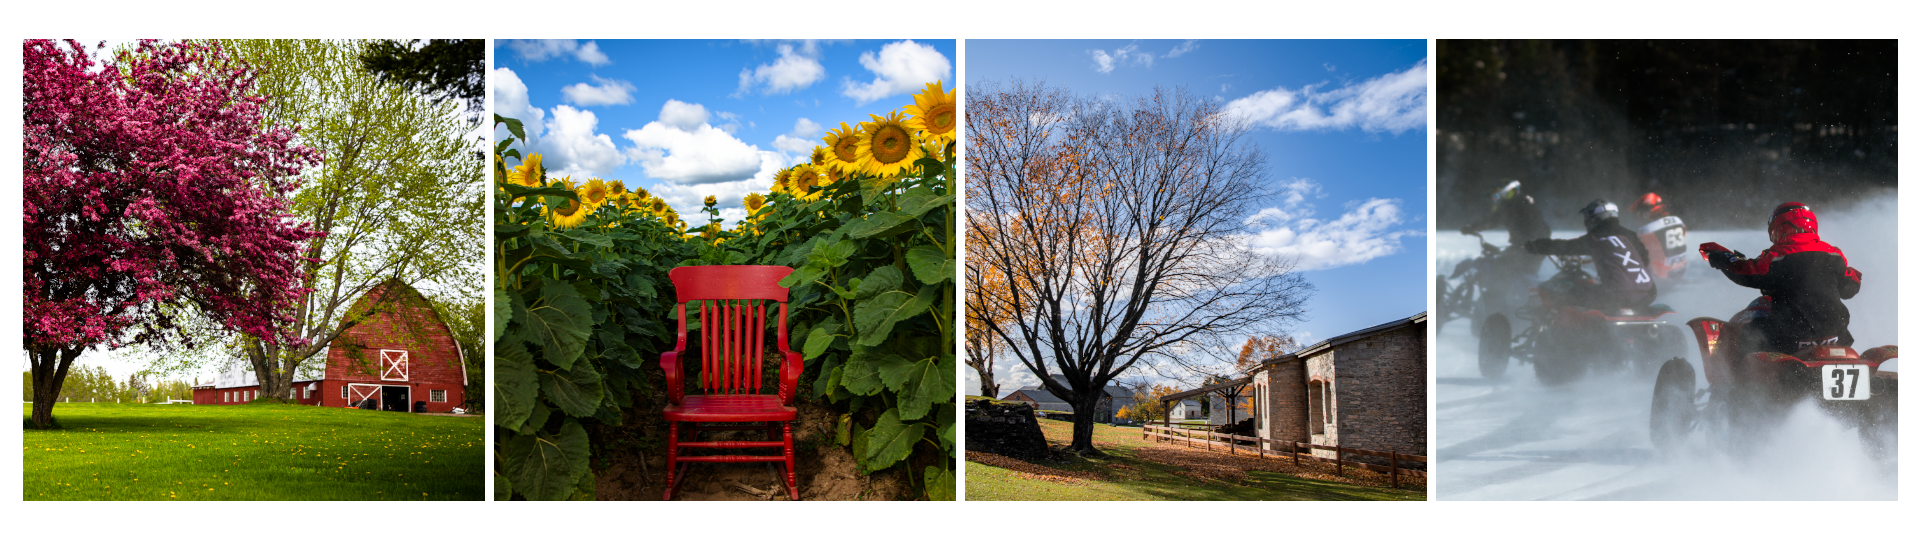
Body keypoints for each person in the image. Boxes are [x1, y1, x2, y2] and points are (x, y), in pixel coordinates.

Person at [1697, 202, 1862, 356]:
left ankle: (1740, 386)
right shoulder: (1833, 254)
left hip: (1793, 336)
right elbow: (1851, 287)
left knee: (1747, 333)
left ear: (1779, 227)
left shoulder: (1777, 256)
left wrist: (1724, 258)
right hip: (1836, 336)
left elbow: (1746, 273)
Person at [1524, 199, 1657, 312]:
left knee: (1569, 295)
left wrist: (1535, 246)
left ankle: (1567, 336)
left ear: (1595, 218)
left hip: (1616, 295)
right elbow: (1644, 260)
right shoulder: (1630, 235)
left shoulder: (1596, 237)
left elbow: (1566, 247)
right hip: (1648, 294)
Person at [1461, 180, 1551, 280]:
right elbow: (1545, 229)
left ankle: (1498, 294)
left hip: (1525, 249)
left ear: (1507, 193)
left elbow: (1493, 221)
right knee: (1519, 272)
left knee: (1499, 269)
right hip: (1535, 248)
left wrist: (1471, 227)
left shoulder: (1513, 206)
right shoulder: (1526, 204)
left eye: (1498, 195)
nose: (1496, 199)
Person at [1630, 192, 1690, 279]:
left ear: (1648, 209)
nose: (1639, 215)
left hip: (1661, 274)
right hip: (1681, 268)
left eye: (1641, 211)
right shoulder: (1678, 220)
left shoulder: (1647, 229)